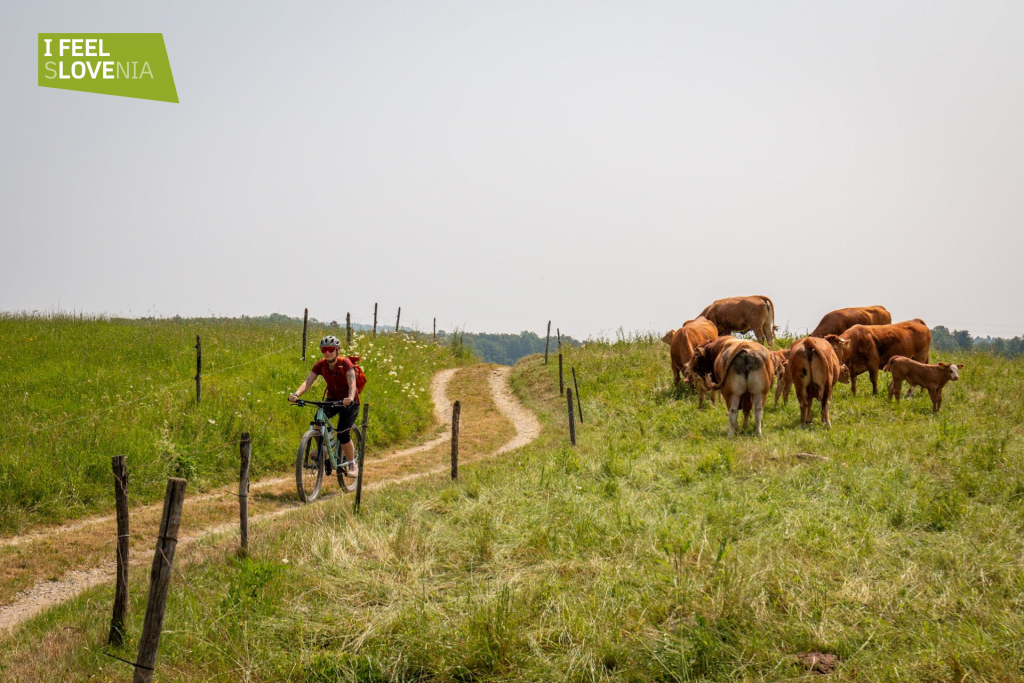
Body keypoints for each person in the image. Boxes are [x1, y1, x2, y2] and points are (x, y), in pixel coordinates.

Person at [289, 335, 360, 476]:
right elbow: (308, 381)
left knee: (343, 433)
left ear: (337, 350)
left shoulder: (345, 363)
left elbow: (352, 383)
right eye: (324, 350)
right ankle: (325, 448)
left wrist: (350, 397)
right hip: (333, 400)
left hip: (350, 402)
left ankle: (352, 464)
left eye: (330, 349)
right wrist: (296, 394)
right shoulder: (321, 365)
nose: (327, 352)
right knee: (318, 420)